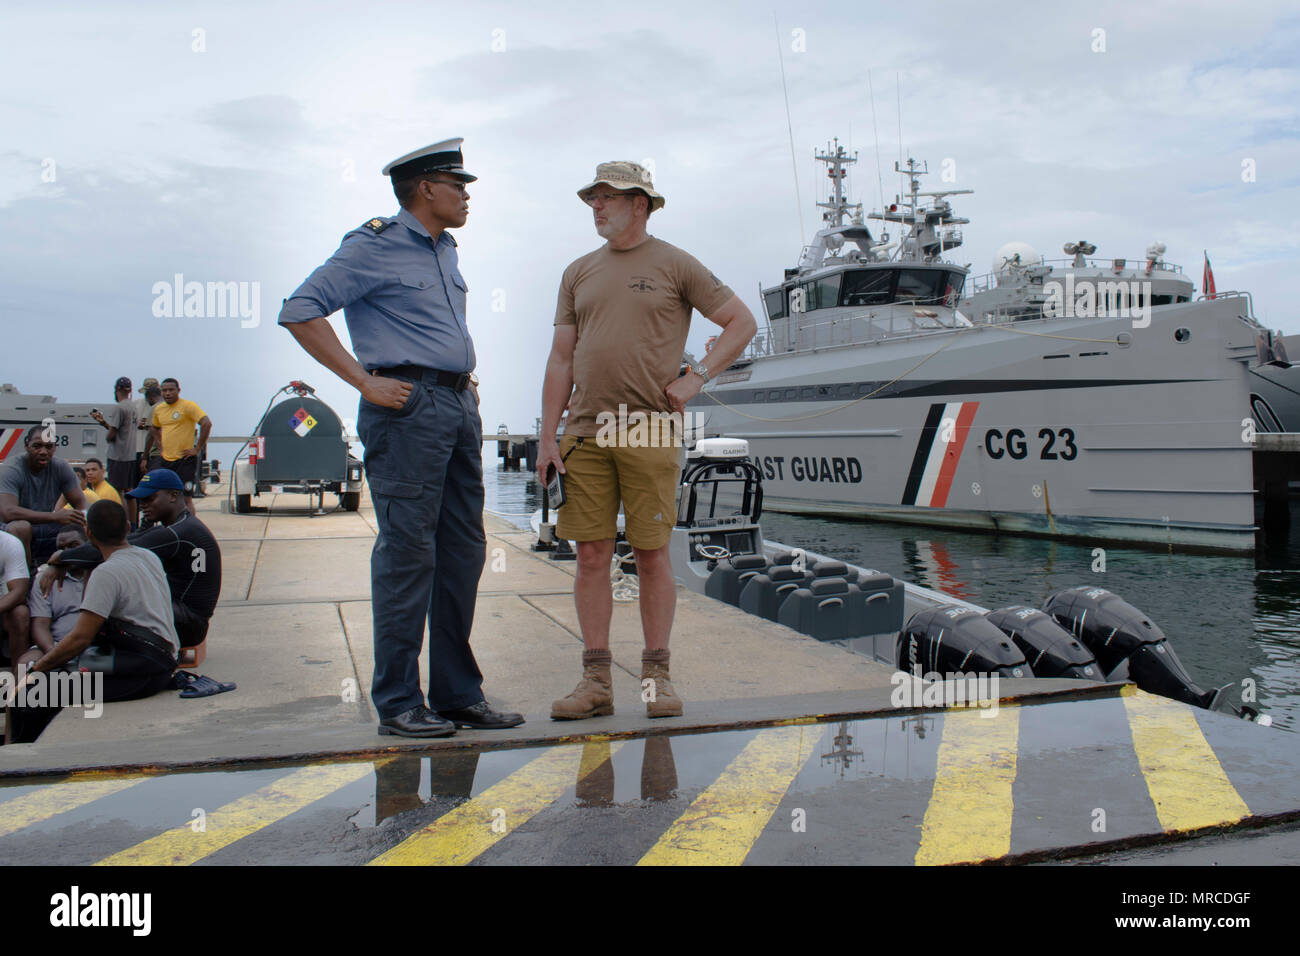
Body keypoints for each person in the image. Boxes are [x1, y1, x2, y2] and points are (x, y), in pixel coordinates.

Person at [277, 137, 522, 738]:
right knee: (408, 555)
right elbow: (300, 309)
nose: (466, 195)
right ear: (425, 189)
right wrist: (363, 381)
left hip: (457, 405)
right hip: (407, 409)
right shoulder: (374, 244)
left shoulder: (446, 251)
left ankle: (459, 694)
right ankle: (399, 701)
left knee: (462, 553)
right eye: (457, 184)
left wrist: (461, 386)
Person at [538, 161, 756, 720]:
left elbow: (740, 322)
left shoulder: (676, 264)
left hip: (649, 427)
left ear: (640, 203)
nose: (597, 207)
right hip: (586, 430)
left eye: (607, 198)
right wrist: (547, 437)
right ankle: (596, 681)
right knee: (590, 555)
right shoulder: (577, 272)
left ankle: (657, 678)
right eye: (593, 199)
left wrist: (697, 377)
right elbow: (561, 357)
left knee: (652, 553)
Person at [43, 469, 221, 651]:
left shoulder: (179, 533)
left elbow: (112, 547)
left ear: (174, 496)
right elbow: (132, 539)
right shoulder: (182, 525)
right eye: (141, 500)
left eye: (149, 499)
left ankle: (81, 648)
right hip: (182, 615)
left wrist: (61, 558)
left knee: (106, 598)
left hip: (188, 624)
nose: (143, 505)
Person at [23, 500, 177, 702]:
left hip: (142, 673)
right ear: (128, 528)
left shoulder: (106, 573)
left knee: (33, 692)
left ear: (88, 534)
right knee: (79, 668)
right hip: (164, 659)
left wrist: (37, 669)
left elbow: (80, 639)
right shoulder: (148, 556)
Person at [0, 425, 88, 566]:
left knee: (83, 523)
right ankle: (25, 578)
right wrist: (55, 516)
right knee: (21, 527)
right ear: (26, 445)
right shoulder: (12, 469)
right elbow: (7, 513)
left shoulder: (61, 467)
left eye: (49, 447)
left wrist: (83, 520)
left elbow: (81, 503)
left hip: (45, 526)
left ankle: (77, 572)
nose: (43, 452)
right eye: (37, 446)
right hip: (9, 529)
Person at [20, 528, 90, 672]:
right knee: (24, 664)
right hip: (55, 644)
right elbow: (40, 626)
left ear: (88, 544)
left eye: (73, 546)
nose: (65, 552)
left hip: (93, 645)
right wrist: (54, 653)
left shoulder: (101, 573)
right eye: (61, 548)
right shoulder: (45, 579)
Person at [144, 378, 211, 516]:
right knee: (165, 496)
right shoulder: (159, 409)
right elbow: (154, 428)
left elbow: (206, 423)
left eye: (171, 390)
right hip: (166, 460)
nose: (167, 393)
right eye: (164, 390)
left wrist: (197, 448)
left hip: (185, 459)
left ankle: (191, 527)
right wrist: (160, 446)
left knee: (186, 498)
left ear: (178, 391)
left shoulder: (188, 406)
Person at [91, 377, 139, 501]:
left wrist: (107, 437)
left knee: (117, 491)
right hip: (130, 456)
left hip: (118, 456)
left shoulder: (119, 408)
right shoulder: (133, 407)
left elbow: (112, 434)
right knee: (129, 491)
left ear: (117, 389)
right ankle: (132, 520)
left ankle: (121, 519)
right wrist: (103, 423)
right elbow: (123, 430)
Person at [0, 527, 31, 668]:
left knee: (20, 613)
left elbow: (19, 591)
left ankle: (18, 677)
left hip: (3, 607)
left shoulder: (8, 543)